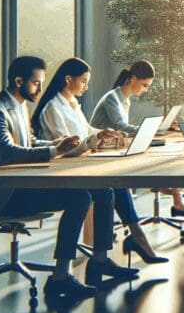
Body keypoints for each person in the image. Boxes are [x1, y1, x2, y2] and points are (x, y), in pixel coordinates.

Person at [0, 56, 138, 301]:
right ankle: (61, 276)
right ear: (19, 81)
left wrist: (56, 144)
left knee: (103, 190)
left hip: (21, 185)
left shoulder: (19, 107)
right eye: (36, 83)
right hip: (2, 196)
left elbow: (30, 143)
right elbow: (9, 153)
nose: (41, 88)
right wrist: (55, 151)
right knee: (79, 198)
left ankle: (99, 259)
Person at [32, 57, 168, 264]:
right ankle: (126, 244)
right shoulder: (53, 108)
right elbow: (65, 148)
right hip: (63, 170)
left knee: (112, 186)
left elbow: (86, 131)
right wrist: (94, 139)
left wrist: (102, 134)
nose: (86, 87)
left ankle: (108, 254)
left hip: (78, 165)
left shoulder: (71, 104)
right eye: (83, 81)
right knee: (110, 186)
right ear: (68, 80)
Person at [91, 60, 184, 218]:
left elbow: (123, 129)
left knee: (166, 152)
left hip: (114, 147)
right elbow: (120, 126)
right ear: (134, 79)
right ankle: (172, 194)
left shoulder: (125, 99)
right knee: (155, 159)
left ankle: (176, 198)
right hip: (100, 151)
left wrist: (155, 130)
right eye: (145, 85)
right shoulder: (112, 98)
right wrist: (152, 130)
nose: (146, 90)